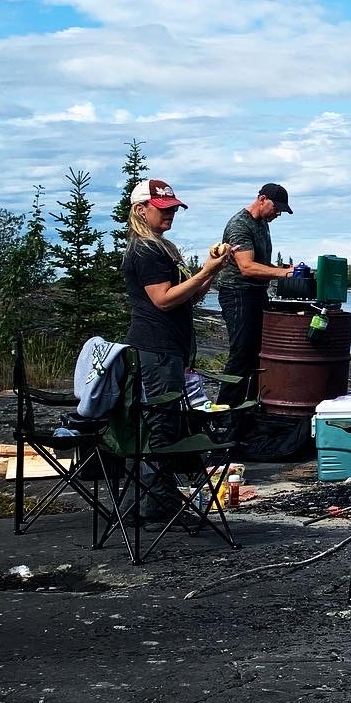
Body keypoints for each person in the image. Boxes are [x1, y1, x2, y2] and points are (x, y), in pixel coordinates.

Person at [120, 178, 232, 522]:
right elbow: (163, 300)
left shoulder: (163, 247)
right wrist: (206, 270)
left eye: (173, 209)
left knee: (166, 422)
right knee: (159, 425)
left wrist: (211, 274)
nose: (171, 214)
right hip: (155, 348)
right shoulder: (146, 250)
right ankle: (154, 503)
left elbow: (188, 297)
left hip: (170, 349)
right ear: (141, 210)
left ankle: (149, 501)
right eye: (163, 209)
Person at [215, 182, 300, 400]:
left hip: (256, 293)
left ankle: (250, 406)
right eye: (276, 207)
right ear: (261, 199)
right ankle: (225, 413)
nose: (278, 213)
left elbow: (261, 263)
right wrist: (283, 274)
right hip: (237, 294)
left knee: (258, 353)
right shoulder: (239, 225)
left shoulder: (262, 224)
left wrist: (285, 269)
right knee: (242, 352)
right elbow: (247, 267)